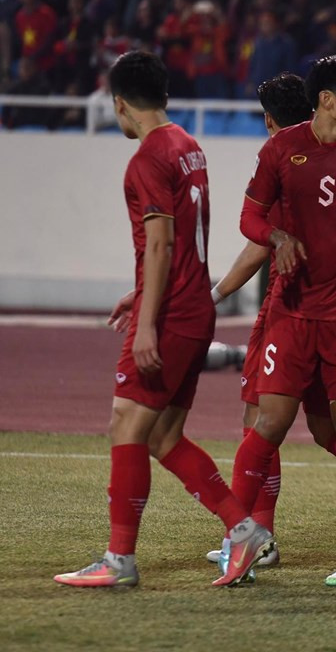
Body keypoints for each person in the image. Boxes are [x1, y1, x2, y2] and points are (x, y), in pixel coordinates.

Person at [54, 51, 272, 589]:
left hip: (172, 314)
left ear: (119, 104)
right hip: (194, 306)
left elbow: (161, 242)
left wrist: (147, 320)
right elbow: (181, 243)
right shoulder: (188, 146)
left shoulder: (147, 157)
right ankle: (243, 529)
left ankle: (119, 560)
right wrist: (141, 293)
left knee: (126, 425)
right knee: (164, 435)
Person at [203, 72, 336, 574]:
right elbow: (253, 224)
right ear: (325, 100)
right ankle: (248, 537)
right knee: (275, 426)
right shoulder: (282, 152)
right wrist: (276, 237)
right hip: (292, 313)